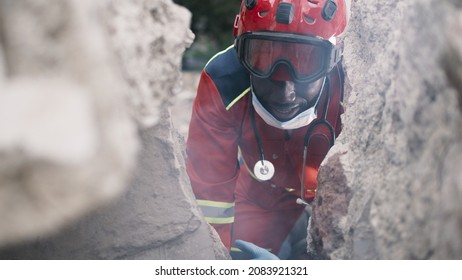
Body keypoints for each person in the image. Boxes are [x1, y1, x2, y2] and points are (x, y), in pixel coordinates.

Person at [186, 0, 349, 259]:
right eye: (265, 57)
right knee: (239, 253)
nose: (286, 92)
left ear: (334, 57)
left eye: (306, 62)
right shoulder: (222, 83)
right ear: (242, 53)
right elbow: (209, 191)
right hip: (260, 193)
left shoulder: (354, 86)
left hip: (334, 196)